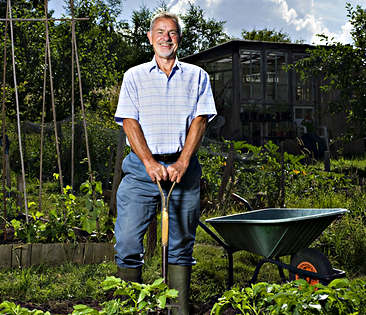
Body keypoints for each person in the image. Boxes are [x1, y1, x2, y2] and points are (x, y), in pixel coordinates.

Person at [114, 11, 216, 314]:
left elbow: (200, 121)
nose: (165, 37)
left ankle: (177, 309)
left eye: (171, 32)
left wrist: (183, 162)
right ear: (149, 37)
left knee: (181, 243)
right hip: (141, 172)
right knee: (129, 241)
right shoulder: (134, 76)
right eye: (159, 32)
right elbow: (129, 122)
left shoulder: (197, 76)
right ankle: (131, 307)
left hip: (181, 171)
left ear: (179, 38)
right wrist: (148, 162)